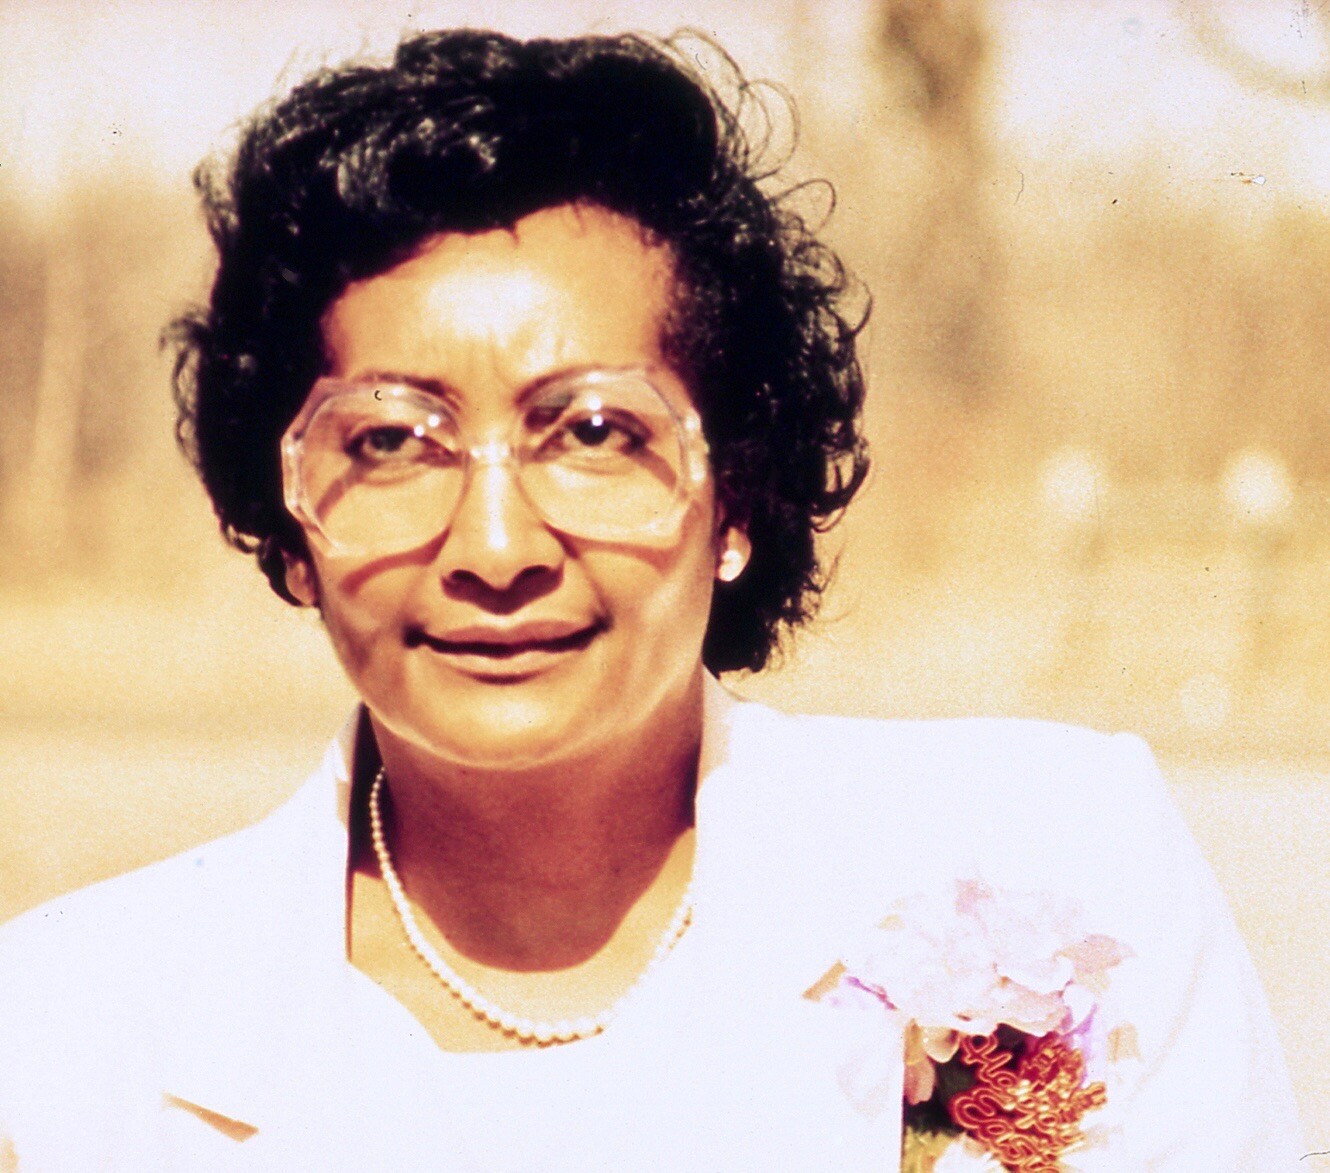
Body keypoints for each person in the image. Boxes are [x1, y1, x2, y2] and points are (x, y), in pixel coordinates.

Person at [0, 28, 1302, 1170]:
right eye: (392, 441)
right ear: (292, 523)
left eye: (595, 433)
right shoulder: (67, 1036)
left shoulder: (1062, 866)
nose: (495, 545)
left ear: (737, 498)